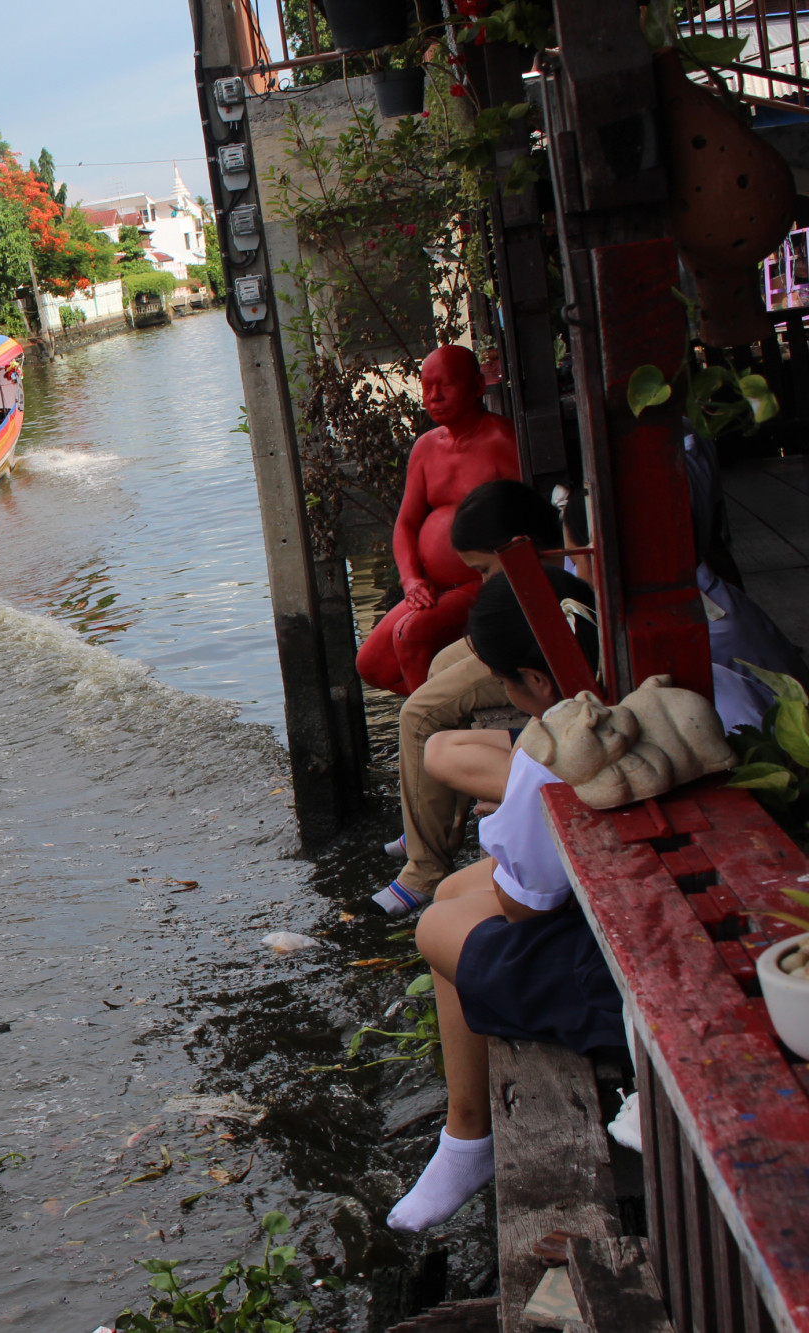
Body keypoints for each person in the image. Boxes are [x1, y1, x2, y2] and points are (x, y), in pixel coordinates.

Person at [387, 565, 626, 1233]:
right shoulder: (631, 684)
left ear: (536, 681)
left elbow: (527, 909)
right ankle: (462, 1135)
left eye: (504, 682)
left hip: (630, 980)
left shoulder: (553, 750)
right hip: (637, 902)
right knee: (462, 889)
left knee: (436, 928)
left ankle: (467, 1134)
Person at [377, 480, 566, 916]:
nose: (483, 581)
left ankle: (424, 868)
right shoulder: (549, 559)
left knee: (418, 715)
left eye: (484, 570)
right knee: (444, 661)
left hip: (531, 639)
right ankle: (432, 822)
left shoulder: (563, 567)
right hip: (524, 625)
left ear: (519, 546)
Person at [356, 346, 522, 697]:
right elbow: (406, 525)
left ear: (478, 386)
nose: (433, 397)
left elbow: (530, 524)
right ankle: (448, 705)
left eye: (444, 385)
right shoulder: (425, 448)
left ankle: (429, 726)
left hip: (484, 581)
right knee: (371, 665)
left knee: (411, 634)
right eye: (426, 386)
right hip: (431, 586)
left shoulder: (503, 441)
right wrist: (411, 579)